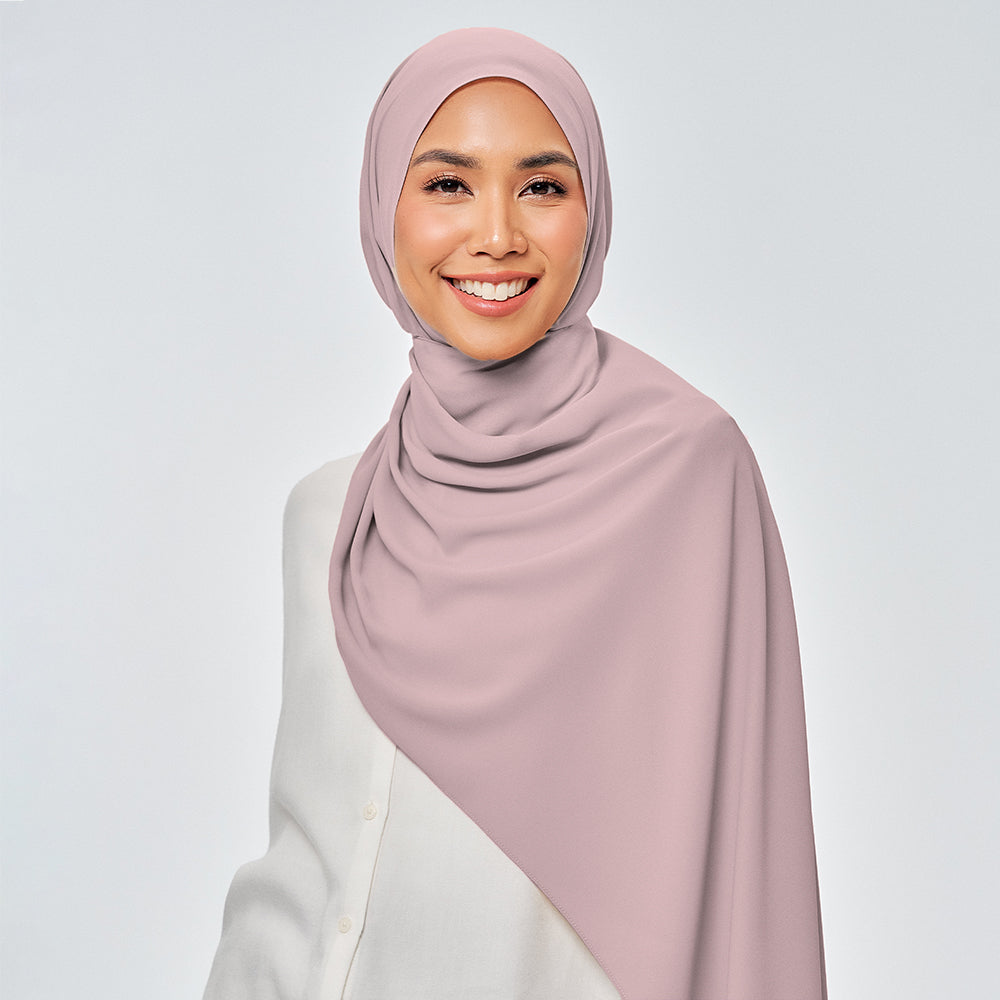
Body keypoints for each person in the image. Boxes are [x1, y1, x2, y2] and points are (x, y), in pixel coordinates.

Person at [203, 27, 826, 1000]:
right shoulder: (332, 516)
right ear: (384, 207)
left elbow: (748, 859)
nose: (496, 234)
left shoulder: (684, 476)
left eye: (541, 185)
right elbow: (315, 855)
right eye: (448, 184)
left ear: (592, 213)